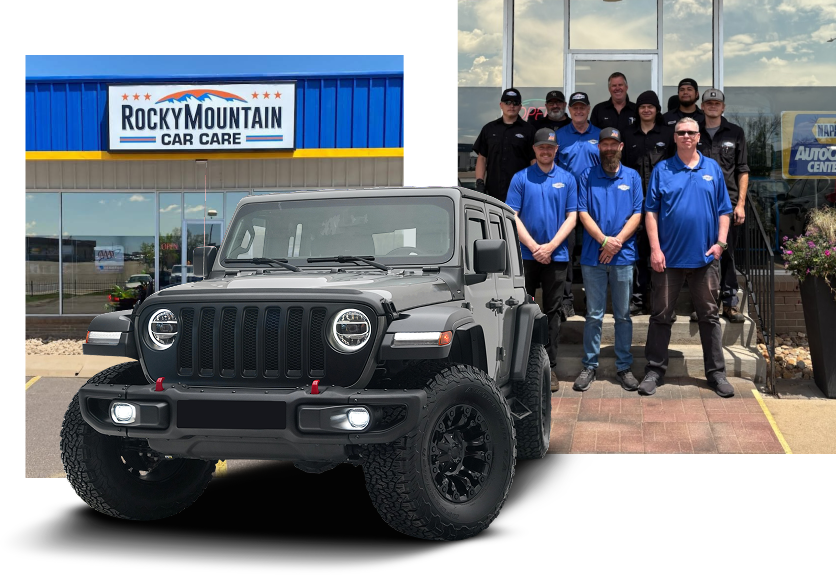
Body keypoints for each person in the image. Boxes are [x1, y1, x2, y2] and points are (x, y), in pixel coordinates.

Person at [641, 117, 735, 398]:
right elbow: (651, 213)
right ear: (674, 137)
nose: (685, 136)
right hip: (668, 260)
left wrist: (720, 243)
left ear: (698, 137)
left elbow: (724, 210)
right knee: (660, 316)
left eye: (690, 132)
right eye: (680, 132)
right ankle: (655, 370)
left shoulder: (712, 168)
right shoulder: (662, 169)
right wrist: (655, 249)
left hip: (705, 259)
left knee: (709, 316)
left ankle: (716, 373)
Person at [506, 128, 578, 391]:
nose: (545, 151)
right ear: (535, 150)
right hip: (527, 255)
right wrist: (535, 246)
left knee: (552, 313)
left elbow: (572, 217)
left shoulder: (568, 179)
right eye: (541, 148)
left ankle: (551, 367)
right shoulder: (521, 178)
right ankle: (521, 366)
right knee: (523, 310)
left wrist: (550, 247)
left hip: (556, 257)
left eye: (550, 148)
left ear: (556, 150)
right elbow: (512, 215)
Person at [573, 127, 643, 392]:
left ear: (621, 146)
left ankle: (624, 366)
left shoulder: (633, 177)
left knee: (623, 315)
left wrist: (616, 244)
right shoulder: (586, 176)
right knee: (594, 314)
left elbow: (637, 213)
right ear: (598, 147)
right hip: (594, 256)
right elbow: (582, 212)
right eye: (605, 144)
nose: (610, 148)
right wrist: (604, 241)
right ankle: (590, 365)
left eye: (614, 144)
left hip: (623, 256)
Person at [694, 88, 749, 323]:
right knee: (703, 254)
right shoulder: (693, 132)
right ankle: (705, 304)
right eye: (709, 103)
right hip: (699, 204)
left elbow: (743, 170)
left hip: (728, 204)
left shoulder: (735, 133)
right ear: (703, 107)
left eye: (717, 103)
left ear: (723, 107)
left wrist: (741, 204)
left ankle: (729, 303)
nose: (713, 106)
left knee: (727, 254)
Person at [621, 90, 676, 316]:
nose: (646, 109)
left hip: (662, 204)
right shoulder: (628, 135)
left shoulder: (667, 133)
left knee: (661, 252)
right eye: (642, 106)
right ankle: (637, 298)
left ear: (656, 110)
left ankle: (660, 300)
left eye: (650, 106)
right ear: (638, 109)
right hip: (633, 203)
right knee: (637, 253)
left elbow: (674, 167)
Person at [556, 92, 602, 319]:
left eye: (582, 106)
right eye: (575, 107)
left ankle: (593, 298)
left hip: (595, 202)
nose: (579, 110)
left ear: (589, 108)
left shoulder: (599, 135)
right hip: (568, 203)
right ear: (570, 109)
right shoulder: (560, 135)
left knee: (593, 251)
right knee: (566, 251)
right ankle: (565, 301)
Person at [473, 88, 536, 204]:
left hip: (521, 192)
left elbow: (534, 160)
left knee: (517, 222)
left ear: (520, 106)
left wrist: (535, 184)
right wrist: (480, 182)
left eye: (515, 103)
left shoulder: (529, 130)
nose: (511, 106)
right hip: (493, 192)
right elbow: (482, 158)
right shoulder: (489, 129)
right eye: (507, 102)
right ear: (501, 105)